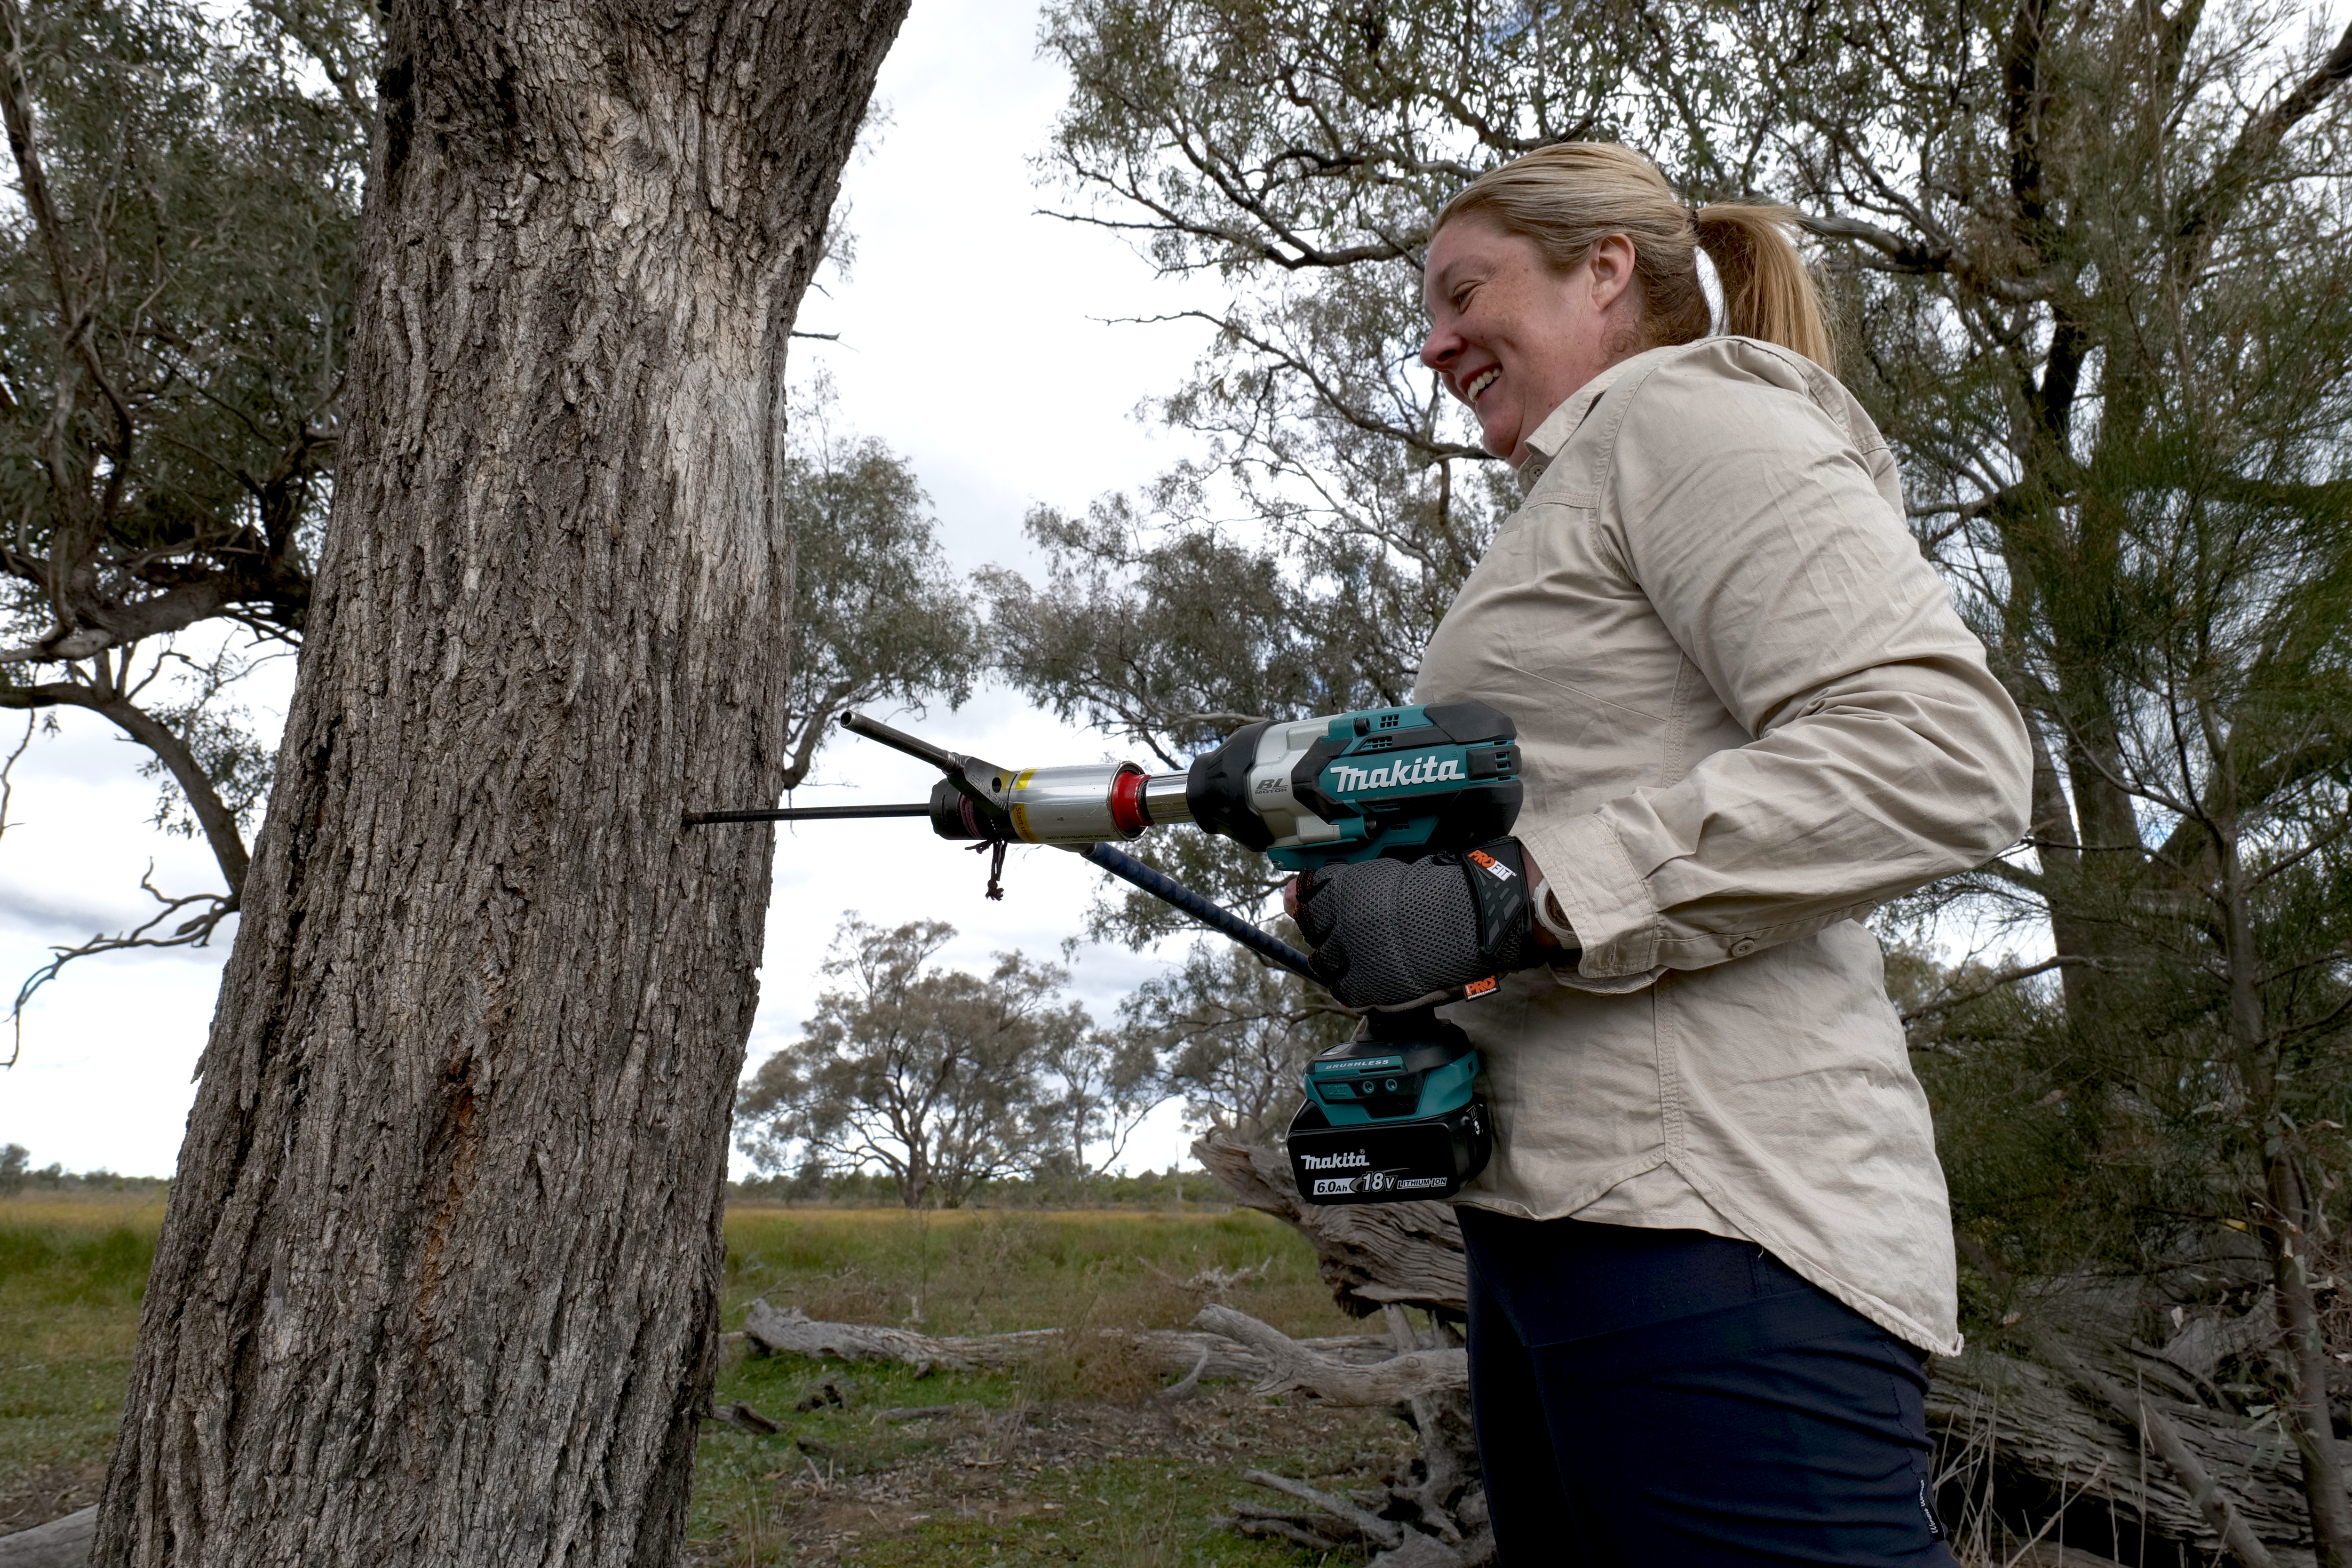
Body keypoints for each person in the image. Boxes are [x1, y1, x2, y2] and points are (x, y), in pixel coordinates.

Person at [1282, 143, 2034, 1565]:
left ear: (1606, 271)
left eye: (1463, 291)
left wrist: (1515, 900)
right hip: (1563, 1221)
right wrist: (1403, 924)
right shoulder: (1584, 490)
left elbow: (1943, 747)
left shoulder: (1694, 425)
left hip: (1716, 1232)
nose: (1433, 341)